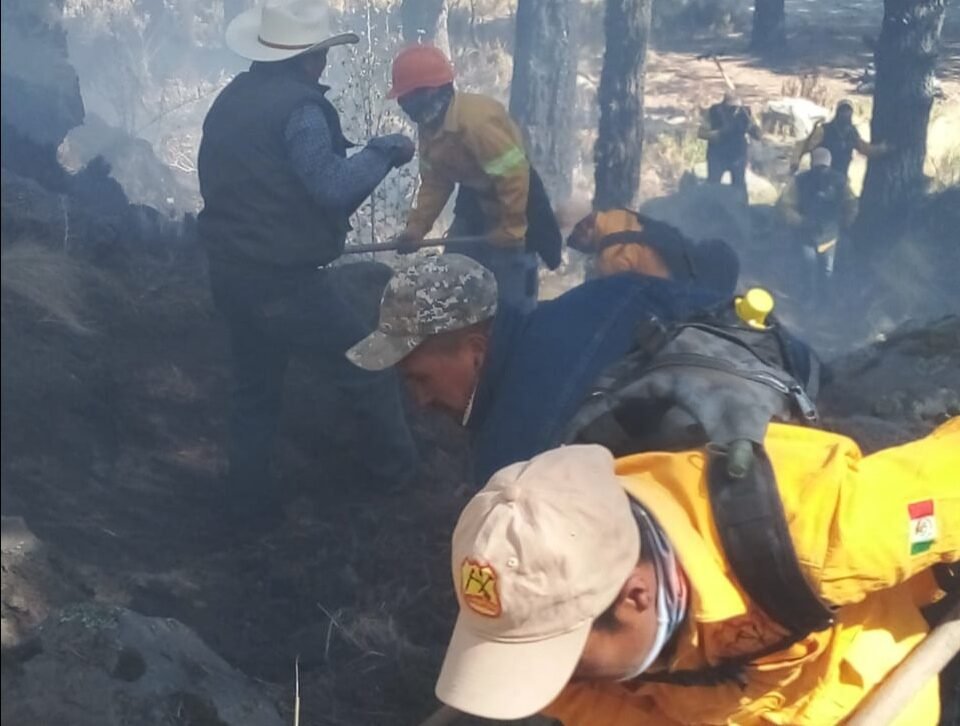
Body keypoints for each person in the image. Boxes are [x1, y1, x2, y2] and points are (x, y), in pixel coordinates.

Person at [434, 422, 959, 724]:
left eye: (555, 657)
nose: (548, 679)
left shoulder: (828, 531)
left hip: (870, 704)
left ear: (635, 597)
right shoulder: (543, 611)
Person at [197, 0, 418, 524]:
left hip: (230, 276)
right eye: (321, 54)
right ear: (308, 58)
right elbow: (331, 186)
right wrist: (385, 151)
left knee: (256, 392)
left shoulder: (231, 101)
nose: (324, 63)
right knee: (370, 366)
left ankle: (246, 507)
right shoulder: (299, 109)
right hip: (282, 282)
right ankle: (401, 481)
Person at [347, 254, 738, 484]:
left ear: (475, 352)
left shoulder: (513, 461)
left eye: (421, 378)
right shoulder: (592, 298)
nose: (419, 401)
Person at [388, 45, 562, 313]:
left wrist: (512, 228)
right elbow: (435, 183)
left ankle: (513, 332)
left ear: (429, 92)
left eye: (406, 99)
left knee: (509, 287)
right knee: (455, 271)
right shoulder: (430, 127)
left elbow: (513, 176)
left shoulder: (476, 122)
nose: (404, 107)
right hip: (474, 196)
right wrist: (417, 227)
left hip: (517, 197)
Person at [566, 208, 739, 285]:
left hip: (675, 285)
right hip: (691, 259)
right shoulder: (617, 214)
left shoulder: (609, 260)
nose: (578, 249)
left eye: (574, 242)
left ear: (584, 227)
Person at [778, 147, 857, 300]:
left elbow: (785, 205)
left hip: (815, 233)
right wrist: (845, 223)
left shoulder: (801, 180)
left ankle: (814, 302)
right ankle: (819, 302)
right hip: (822, 233)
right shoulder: (839, 180)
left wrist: (800, 222)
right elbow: (852, 203)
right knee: (821, 270)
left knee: (812, 268)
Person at [792, 99, 891, 177]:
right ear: (837, 112)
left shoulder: (852, 133)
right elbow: (804, 146)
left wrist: (884, 149)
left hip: (841, 178)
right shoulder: (823, 130)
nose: (846, 113)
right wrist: (795, 161)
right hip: (820, 177)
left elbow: (865, 149)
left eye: (848, 111)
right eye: (843, 110)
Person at [698, 91, 762, 198]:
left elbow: (757, 134)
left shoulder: (745, 113)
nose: (734, 110)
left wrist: (755, 130)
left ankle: (742, 210)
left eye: (736, 107)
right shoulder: (714, 111)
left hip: (738, 156)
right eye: (731, 107)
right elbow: (701, 133)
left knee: (739, 186)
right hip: (717, 156)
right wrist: (719, 133)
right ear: (724, 104)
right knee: (713, 186)